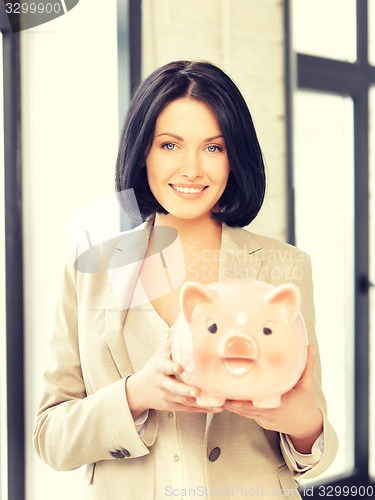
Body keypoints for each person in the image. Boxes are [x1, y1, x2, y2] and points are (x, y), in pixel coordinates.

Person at [34, 60, 338, 499]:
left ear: (235, 156)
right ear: (143, 151)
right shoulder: (92, 268)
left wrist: (302, 424)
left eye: (213, 148)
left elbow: (318, 449)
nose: (192, 169)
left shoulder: (282, 267)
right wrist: (138, 394)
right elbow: (50, 438)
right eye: (170, 145)